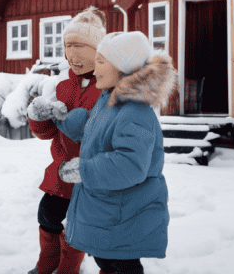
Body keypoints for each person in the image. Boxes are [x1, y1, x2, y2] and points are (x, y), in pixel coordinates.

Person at [30, 31, 176, 274]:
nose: (94, 70)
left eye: (100, 62)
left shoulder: (135, 112)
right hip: (112, 209)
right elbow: (93, 130)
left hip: (126, 212)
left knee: (121, 264)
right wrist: (62, 117)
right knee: (107, 261)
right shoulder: (110, 100)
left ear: (122, 67)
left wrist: (84, 169)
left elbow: (130, 164)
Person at [25, 6, 106, 274]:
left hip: (90, 173)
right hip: (61, 170)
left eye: (80, 45)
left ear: (98, 50)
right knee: (46, 215)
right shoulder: (63, 86)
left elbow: (105, 133)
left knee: (78, 225)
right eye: (68, 45)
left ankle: (68, 268)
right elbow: (48, 133)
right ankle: (47, 263)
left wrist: (76, 123)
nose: (73, 53)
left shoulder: (108, 87)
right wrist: (39, 117)